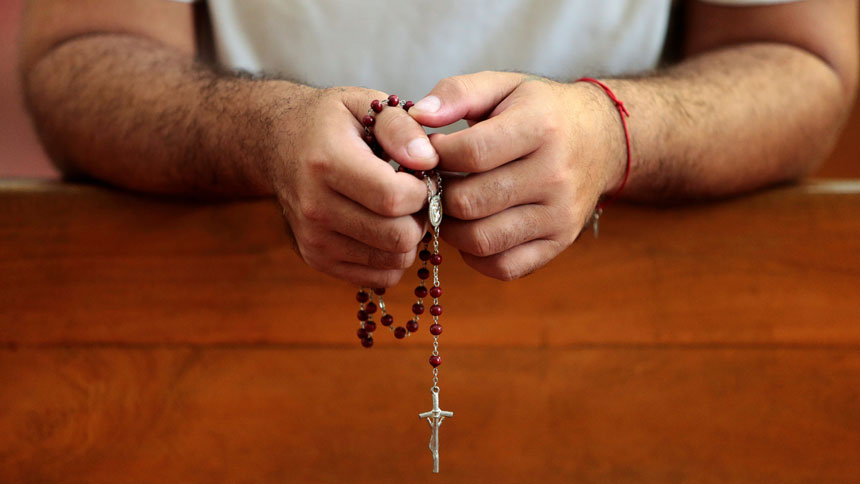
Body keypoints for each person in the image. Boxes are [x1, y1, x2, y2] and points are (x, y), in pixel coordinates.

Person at [19, 0, 858, 286]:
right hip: (221, 318)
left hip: (646, 327)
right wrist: (264, 134)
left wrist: (612, 131)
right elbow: (80, 53)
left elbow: (804, 60)